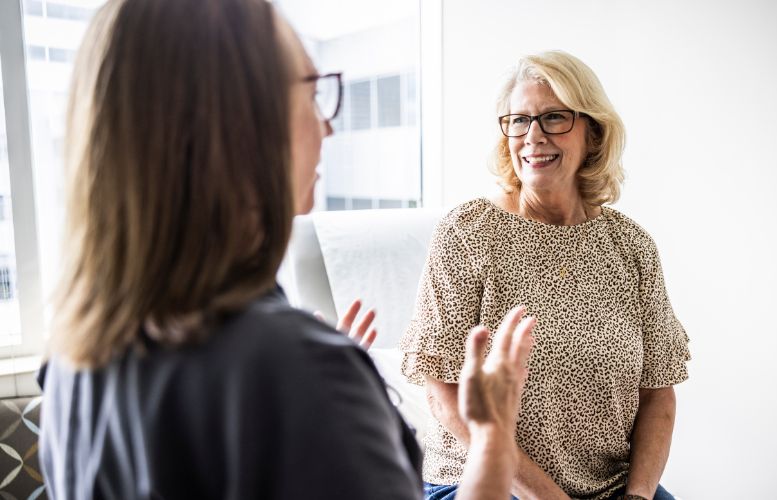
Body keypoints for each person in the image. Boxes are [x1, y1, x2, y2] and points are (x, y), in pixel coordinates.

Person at [36, 0, 535, 499]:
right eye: (314, 94)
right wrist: (492, 439)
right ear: (241, 124)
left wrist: (321, 389)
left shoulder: (72, 356)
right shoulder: (295, 375)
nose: (327, 127)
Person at [399, 50, 691, 500]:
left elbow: (658, 393)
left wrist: (638, 496)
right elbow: (443, 394)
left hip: (611, 489)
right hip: (485, 483)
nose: (533, 136)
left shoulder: (631, 247)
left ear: (592, 132)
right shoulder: (468, 233)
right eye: (518, 120)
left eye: (554, 117)